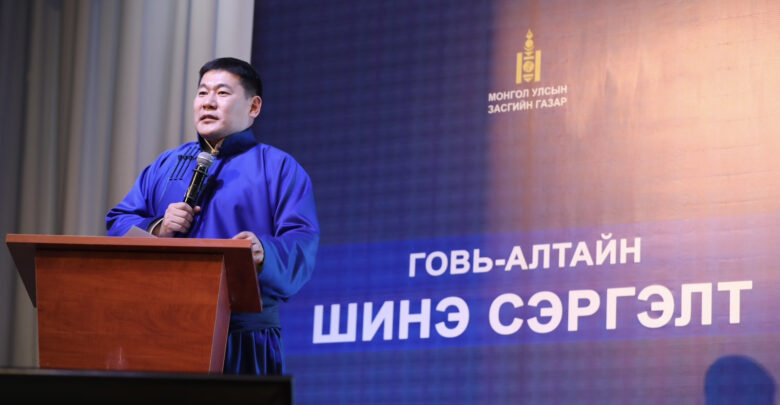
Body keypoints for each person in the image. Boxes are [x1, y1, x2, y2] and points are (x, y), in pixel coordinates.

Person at [106, 57, 319, 375]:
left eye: (222, 93)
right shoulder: (167, 164)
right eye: (202, 92)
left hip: (242, 338)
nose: (208, 102)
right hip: (161, 329)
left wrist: (264, 252)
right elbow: (118, 221)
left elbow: (302, 242)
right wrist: (158, 227)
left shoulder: (278, 168)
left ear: (254, 106)